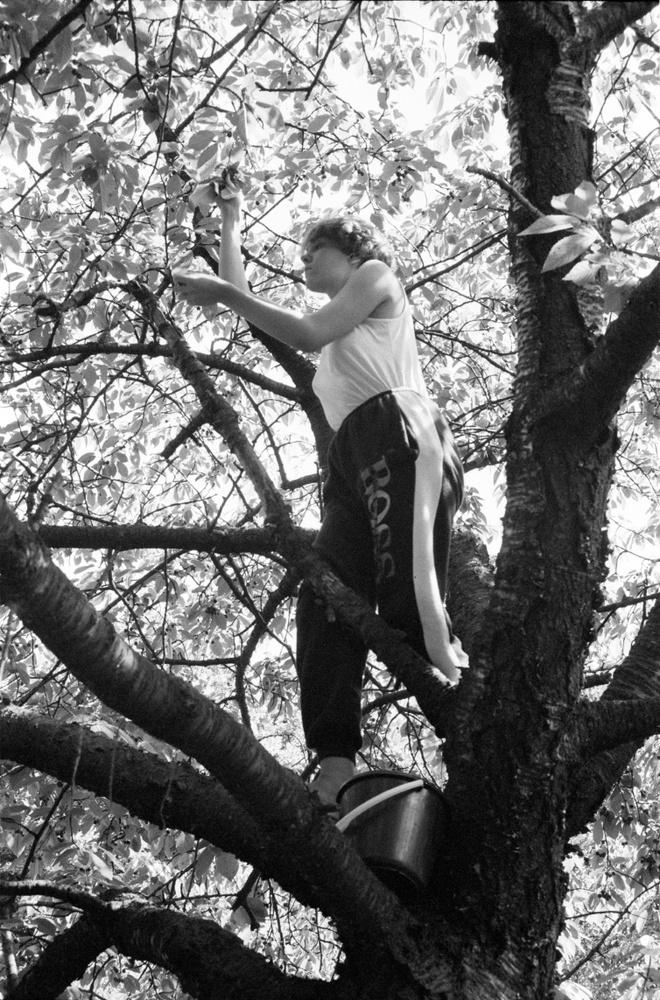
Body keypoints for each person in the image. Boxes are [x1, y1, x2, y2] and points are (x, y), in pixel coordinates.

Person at [173, 179, 468, 811]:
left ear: (350, 246)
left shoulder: (375, 275)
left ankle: (468, 706)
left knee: (408, 600)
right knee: (326, 598)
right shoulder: (335, 344)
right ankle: (334, 762)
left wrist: (225, 292)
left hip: (399, 433)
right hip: (350, 462)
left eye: (315, 249)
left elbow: (303, 332)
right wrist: (231, 220)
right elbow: (251, 307)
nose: (303, 260)